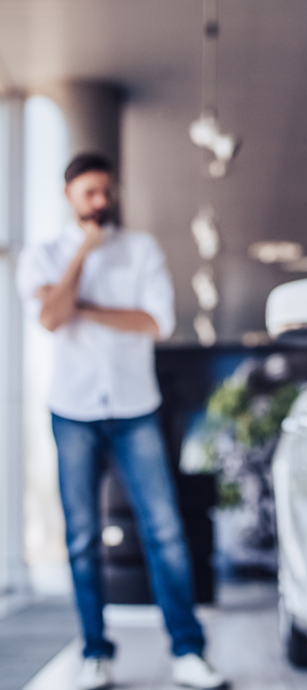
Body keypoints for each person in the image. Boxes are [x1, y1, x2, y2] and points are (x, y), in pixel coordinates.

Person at [16, 153, 227, 690]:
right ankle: (95, 653)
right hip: (73, 411)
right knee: (83, 537)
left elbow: (154, 322)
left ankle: (187, 652)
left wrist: (81, 308)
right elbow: (48, 317)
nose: (100, 202)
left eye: (106, 191)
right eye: (90, 192)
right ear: (69, 195)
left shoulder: (142, 251)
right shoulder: (42, 255)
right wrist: (82, 258)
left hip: (135, 409)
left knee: (166, 532)